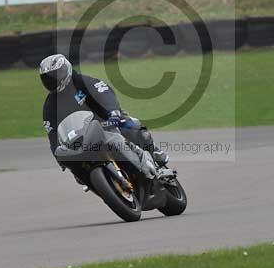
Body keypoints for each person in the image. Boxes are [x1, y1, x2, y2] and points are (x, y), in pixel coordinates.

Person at [39, 54, 173, 186]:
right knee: (78, 172)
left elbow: (104, 94)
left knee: (132, 125)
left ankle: (154, 154)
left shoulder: (81, 82)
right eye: (47, 78)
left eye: (55, 75)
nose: (52, 80)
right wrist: (59, 156)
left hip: (107, 120)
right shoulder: (50, 106)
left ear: (66, 70)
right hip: (83, 138)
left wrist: (113, 112)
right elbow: (52, 133)